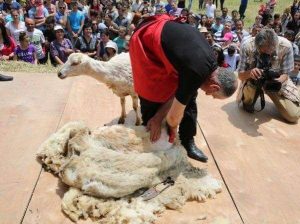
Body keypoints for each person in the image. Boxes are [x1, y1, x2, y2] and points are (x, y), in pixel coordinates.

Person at [129, 14, 238, 162]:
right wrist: (162, 120)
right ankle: (150, 135)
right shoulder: (196, 72)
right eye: (213, 95)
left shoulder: (210, 63)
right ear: (214, 86)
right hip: (147, 42)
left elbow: (179, 98)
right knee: (154, 95)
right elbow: (173, 118)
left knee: (190, 96)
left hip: (168, 43)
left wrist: (169, 120)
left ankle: (187, 140)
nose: (208, 95)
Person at [237, 28, 300, 123]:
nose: (268, 55)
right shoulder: (247, 46)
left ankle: (276, 97)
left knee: (293, 116)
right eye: (264, 51)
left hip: (275, 81)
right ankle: (251, 95)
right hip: (253, 80)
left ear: (276, 44)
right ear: (257, 46)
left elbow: (285, 74)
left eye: (271, 51)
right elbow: (240, 76)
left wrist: (275, 83)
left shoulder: (286, 46)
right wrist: (251, 73)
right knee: (247, 108)